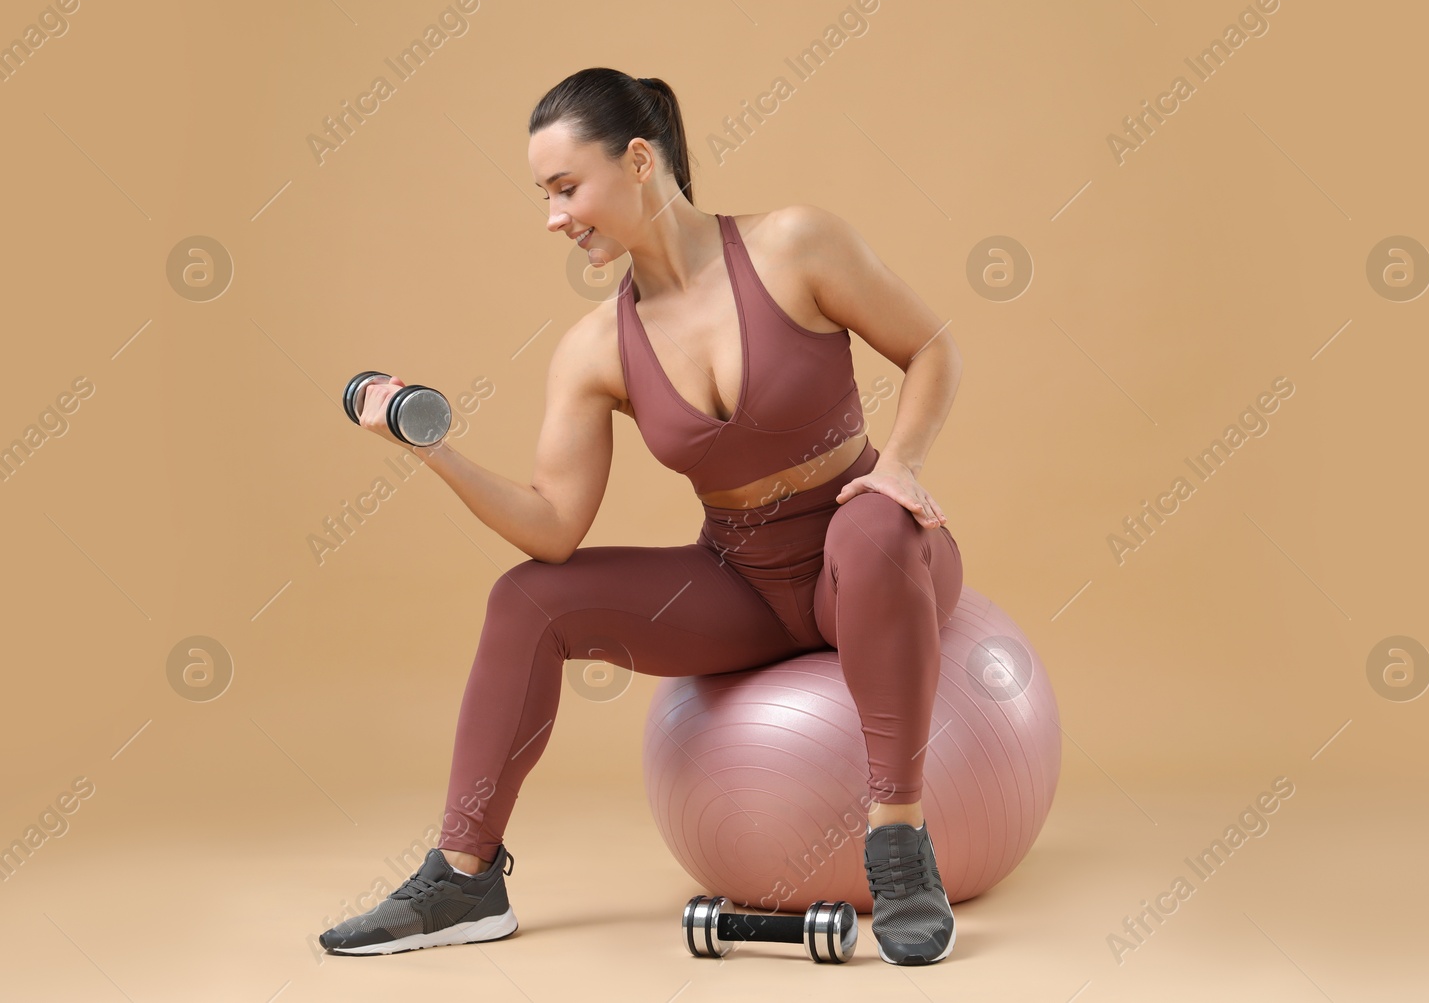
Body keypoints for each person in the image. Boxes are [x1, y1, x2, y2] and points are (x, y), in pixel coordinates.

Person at [317, 68, 964, 965]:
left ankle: (899, 845)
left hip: (875, 552)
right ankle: (465, 875)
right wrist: (432, 450)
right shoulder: (593, 349)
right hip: (743, 583)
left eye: (566, 188)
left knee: (869, 524)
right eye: (545, 196)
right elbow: (554, 528)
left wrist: (900, 466)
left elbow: (931, 346)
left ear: (638, 160)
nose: (555, 216)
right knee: (524, 599)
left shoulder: (795, 244)